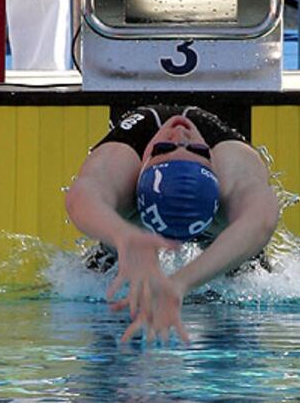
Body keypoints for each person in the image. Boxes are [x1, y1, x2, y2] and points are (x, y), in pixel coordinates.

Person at [65, 105, 279, 343]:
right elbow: (81, 198)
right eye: (164, 148)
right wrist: (125, 237)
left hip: (216, 226)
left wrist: (179, 285)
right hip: (135, 220)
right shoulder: (122, 167)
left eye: (198, 150)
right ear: (142, 167)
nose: (179, 133)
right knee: (107, 274)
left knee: (243, 265)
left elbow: (260, 222)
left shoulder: (233, 173)